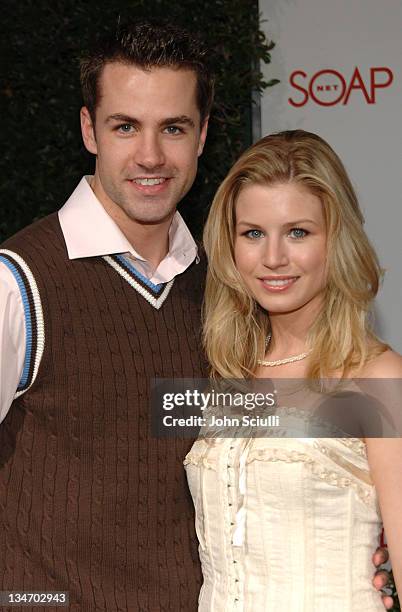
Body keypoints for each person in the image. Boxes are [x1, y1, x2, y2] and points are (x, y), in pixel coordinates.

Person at [0, 22, 392, 610]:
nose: (151, 155)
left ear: (203, 134)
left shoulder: (234, 291)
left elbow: (289, 468)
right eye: (125, 126)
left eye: (174, 128)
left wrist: (370, 524)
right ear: (89, 129)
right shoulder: (19, 281)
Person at [185, 130, 402, 610]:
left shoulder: (380, 380)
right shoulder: (224, 375)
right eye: (253, 233)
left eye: (298, 232)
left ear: (336, 239)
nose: (273, 258)